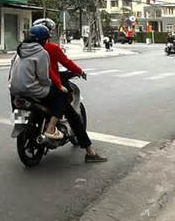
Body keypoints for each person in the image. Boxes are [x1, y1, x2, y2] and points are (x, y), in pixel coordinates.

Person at [32, 18, 108, 163]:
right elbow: (59, 66)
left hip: (27, 89)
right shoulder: (50, 48)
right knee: (72, 114)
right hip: (46, 87)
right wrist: (78, 72)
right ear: (47, 35)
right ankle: (90, 152)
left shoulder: (24, 48)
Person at [9, 25, 69, 141]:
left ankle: (19, 122)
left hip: (14, 90)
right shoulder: (42, 52)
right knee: (62, 95)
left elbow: (12, 69)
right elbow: (43, 78)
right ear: (44, 39)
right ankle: (51, 128)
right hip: (32, 90)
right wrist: (52, 83)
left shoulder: (19, 50)